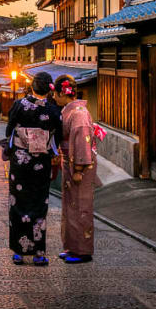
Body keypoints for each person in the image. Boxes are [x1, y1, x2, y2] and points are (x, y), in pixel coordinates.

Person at [5, 71, 61, 266]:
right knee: (38, 204)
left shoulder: (19, 105)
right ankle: (38, 253)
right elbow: (57, 136)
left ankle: (18, 252)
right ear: (49, 89)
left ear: (32, 86)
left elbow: (9, 129)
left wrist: (15, 146)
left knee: (18, 203)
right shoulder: (53, 110)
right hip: (41, 163)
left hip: (20, 163)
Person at [52, 74, 96, 264]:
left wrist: (78, 168)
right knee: (70, 205)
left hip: (79, 165)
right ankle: (71, 246)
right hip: (69, 161)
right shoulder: (69, 110)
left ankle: (82, 251)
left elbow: (82, 141)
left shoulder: (78, 113)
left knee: (81, 206)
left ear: (64, 92)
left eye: (55, 93)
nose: (53, 97)